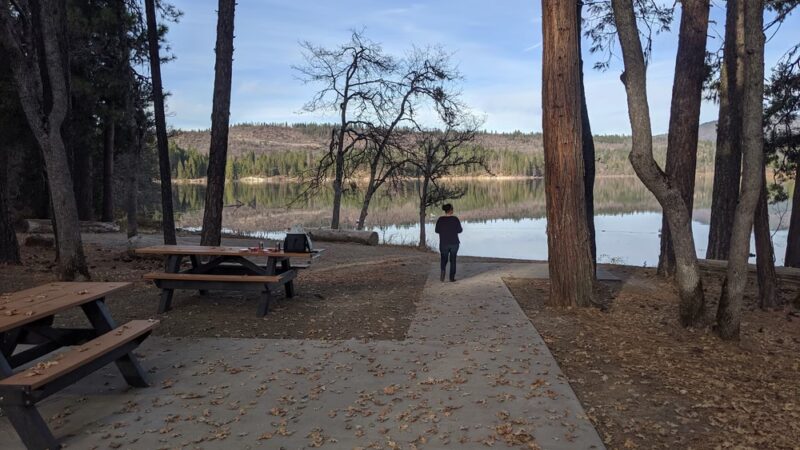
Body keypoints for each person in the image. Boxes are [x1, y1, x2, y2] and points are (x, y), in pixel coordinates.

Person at [435, 203, 462, 282]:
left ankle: (443, 273)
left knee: (444, 259)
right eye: (452, 209)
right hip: (454, 243)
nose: (453, 210)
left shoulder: (440, 219)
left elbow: (437, 230)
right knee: (453, 260)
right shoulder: (455, 219)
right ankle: (452, 278)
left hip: (444, 243)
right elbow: (460, 230)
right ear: (450, 210)